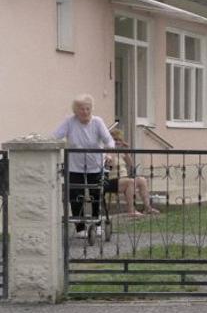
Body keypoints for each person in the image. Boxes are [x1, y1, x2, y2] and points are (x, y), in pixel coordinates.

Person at [53, 94, 114, 238]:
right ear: (76, 110)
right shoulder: (69, 122)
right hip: (75, 166)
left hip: (96, 165)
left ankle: (97, 224)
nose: (85, 112)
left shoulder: (97, 122)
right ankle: (80, 228)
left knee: (95, 195)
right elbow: (55, 136)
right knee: (75, 196)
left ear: (91, 109)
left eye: (87, 108)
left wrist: (110, 152)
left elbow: (108, 140)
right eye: (81, 109)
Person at [105, 129, 160, 216]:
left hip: (124, 179)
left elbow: (131, 165)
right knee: (130, 182)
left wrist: (126, 151)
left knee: (142, 180)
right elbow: (107, 166)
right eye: (115, 140)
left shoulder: (122, 153)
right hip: (111, 180)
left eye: (119, 140)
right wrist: (113, 152)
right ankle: (131, 210)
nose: (118, 142)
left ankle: (147, 208)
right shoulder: (107, 152)